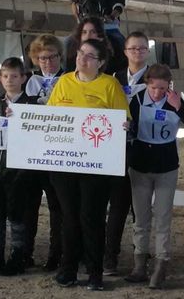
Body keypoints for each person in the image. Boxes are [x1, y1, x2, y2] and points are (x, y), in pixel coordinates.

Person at [47, 39, 129, 291]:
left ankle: (95, 272)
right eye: (81, 53)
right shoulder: (64, 83)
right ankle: (68, 269)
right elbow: (49, 118)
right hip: (65, 163)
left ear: (101, 62)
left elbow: (124, 118)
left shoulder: (109, 85)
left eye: (90, 56)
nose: (83, 59)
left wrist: (125, 126)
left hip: (96, 164)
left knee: (91, 217)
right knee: (69, 217)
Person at [124, 64, 184, 289]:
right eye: (153, 87)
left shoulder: (175, 101)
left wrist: (180, 108)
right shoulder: (137, 100)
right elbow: (130, 128)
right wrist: (128, 126)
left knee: (163, 217)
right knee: (141, 217)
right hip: (140, 166)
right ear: (146, 84)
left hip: (167, 167)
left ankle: (161, 264)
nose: (157, 93)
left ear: (169, 86)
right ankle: (139, 263)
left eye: (162, 88)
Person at [0, 57, 38, 276]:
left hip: (20, 171)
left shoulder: (33, 105)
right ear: (0, 78)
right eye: (5, 76)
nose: (10, 80)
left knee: (17, 213)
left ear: (23, 78)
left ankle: (17, 256)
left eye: (14, 76)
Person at [103, 31, 150, 276]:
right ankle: (110, 257)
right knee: (118, 206)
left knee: (140, 209)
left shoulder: (156, 77)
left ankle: (141, 256)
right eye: (133, 49)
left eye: (142, 49)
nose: (137, 53)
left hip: (144, 148)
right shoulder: (114, 78)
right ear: (125, 52)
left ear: (148, 52)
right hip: (118, 149)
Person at [22, 34, 64, 271]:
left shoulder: (68, 80)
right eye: (42, 58)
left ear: (59, 57)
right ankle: (25, 252)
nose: (47, 62)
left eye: (52, 57)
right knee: (30, 205)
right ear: (36, 59)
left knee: (57, 207)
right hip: (34, 151)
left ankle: (55, 254)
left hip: (57, 151)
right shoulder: (30, 82)